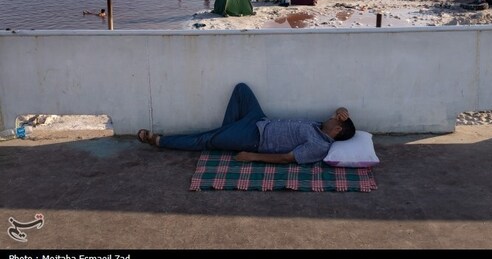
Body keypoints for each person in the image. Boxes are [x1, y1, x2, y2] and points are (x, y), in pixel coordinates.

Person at [136, 82, 356, 164]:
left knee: (206, 139)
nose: (332, 116)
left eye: (335, 118)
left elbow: (286, 158)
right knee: (242, 89)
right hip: (259, 120)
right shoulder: (320, 126)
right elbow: (338, 113)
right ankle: (225, 135)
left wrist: (251, 157)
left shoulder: (319, 146)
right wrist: (341, 110)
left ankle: (160, 140)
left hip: (254, 139)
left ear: (336, 129)